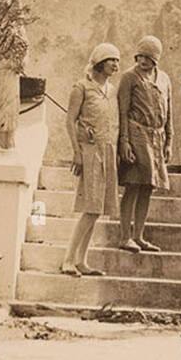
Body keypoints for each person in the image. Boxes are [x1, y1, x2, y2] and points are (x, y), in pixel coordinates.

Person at [62, 42, 121, 276]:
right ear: (99, 62)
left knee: (96, 209)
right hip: (88, 151)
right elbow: (70, 120)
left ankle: (81, 261)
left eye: (117, 60)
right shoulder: (82, 87)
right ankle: (68, 260)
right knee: (91, 208)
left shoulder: (111, 90)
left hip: (107, 151)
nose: (116, 64)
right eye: (111, 60)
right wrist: (77, 152)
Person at [117, 35, 172, 253]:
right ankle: (124, 237)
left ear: (156, 60)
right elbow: (122, 111)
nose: (143, 62)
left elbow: (170, 113)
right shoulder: (129, 77)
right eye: (140, 57)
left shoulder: (164, 79)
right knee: (133, 184)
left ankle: (139, 236)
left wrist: (169, 141)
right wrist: (125, 142)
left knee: (148, 186)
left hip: (157, 138)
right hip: (135, 134)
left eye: (148, 59)